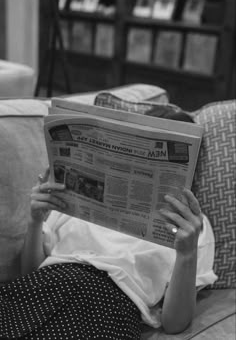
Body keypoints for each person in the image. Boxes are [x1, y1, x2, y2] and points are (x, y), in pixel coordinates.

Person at [0, 108, 217, 340]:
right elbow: (30, 274)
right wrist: (35, 221)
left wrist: (186, 253)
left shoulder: (193, 227)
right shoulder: (75, 194)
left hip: (108, 307)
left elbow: (174, 323)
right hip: (45, 286)